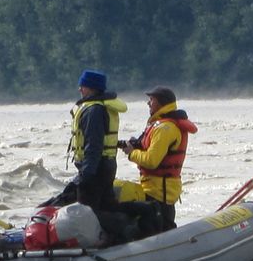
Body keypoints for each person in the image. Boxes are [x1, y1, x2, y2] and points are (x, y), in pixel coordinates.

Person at [47, 69, 128, 225]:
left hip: (96, 168)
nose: (79, 89)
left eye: (82, 85)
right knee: (106, 206)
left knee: (86, 212)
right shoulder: (98, 107)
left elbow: (94, 144)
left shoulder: (93, 110)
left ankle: (120, 230)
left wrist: (87, 174)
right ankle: (124, 227)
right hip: (105, 165)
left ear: (91, 88)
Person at [115, 85, 197, 236]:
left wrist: (132, 153)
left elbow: (152, 161)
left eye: (151, 100)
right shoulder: (160, 124)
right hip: (154, 188)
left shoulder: (164, 128)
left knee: (159, 228)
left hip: (160, 193)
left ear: (161, 103)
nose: (148, 103)